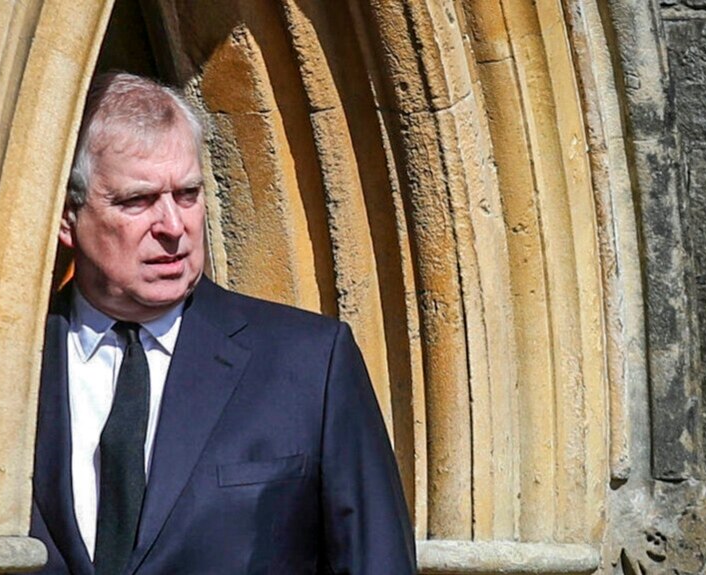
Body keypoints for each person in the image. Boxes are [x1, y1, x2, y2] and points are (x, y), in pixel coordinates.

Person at [29, 72, 416, 575]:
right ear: (66, 217)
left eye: (187, 194)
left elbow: (377, 561)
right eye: (138, 201)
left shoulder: (309, 362)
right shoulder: (9, 367)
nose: (173, 226)